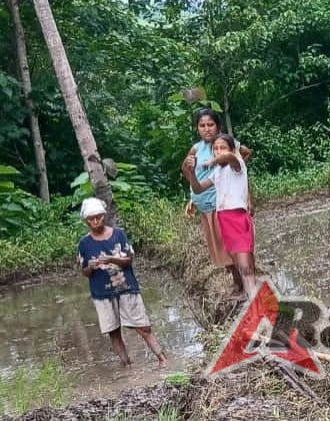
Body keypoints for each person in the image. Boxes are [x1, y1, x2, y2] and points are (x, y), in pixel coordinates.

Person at [76, 197, 167, 368]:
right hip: (102, 294)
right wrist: (91, 266)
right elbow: (84, 272)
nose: (95, 221)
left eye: (99, 217)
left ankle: (162, 359)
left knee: (143, 327)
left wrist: (111, 259)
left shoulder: (118, 234)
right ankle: (127, 365)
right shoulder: (84, 244)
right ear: (86, 221)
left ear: (104, 216)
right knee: (114, 332)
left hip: (126, 287)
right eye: (91, 219)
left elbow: (128, 260)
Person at [183, 108, 252, 296]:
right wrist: (191, 197)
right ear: (197, 128)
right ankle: (238, 282)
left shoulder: (227, 144)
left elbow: (241, 156)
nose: (206, 129)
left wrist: (242, 189)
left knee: (233, 248)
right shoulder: (196, 149)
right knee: (219, 249)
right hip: (203, 203)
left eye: (210, 125)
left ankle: (245, 282)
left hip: (222, 204)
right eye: (202, 125)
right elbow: (193, 176)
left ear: (218, 126)